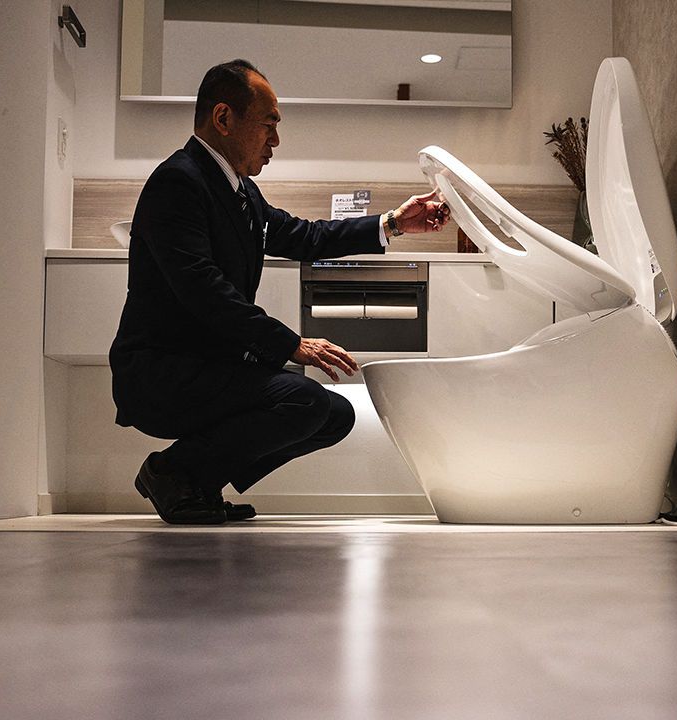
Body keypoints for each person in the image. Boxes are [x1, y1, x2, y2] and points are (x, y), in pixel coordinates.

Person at [109, 59, 449, 525]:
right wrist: (292, 345)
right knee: (303, 400)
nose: (275, 140)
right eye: (268, 124)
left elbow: (306, 237)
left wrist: (393, 223)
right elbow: (203, 290)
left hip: (209, 367)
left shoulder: (242, 193)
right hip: (162, 372)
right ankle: (174, 472)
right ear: (224, 118)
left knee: (334, 414)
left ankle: (195, 480)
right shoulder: (179, 182)